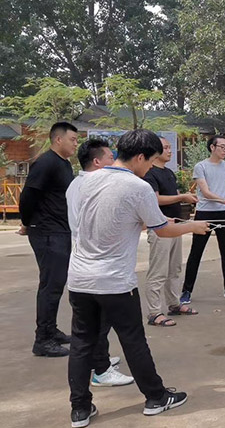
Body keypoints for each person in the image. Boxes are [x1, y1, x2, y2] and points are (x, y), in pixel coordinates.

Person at [67, 129, 210, 427]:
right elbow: (163, 230)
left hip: (80, 278)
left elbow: (106, 218)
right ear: (141, 157)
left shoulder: (84, 181)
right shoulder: (138, 186)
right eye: (152, 160)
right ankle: (156, 397)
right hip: (114, 281)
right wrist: (192, 227)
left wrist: (150, 221)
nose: (151, 167)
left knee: (82, 343)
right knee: (133, 340)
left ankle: (79, 409)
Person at [66, 138, 133, 387]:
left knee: (93, 324)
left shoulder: (79, 184)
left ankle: (99, 360)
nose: (114, 161)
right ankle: (101, 369)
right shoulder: (91, 185)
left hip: (83, 264)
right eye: (109, 157)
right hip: (95, 264)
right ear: (97, 161)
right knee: (99, 321)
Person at [19, 121, 78, 357]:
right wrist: (27, 222)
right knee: (50, 286)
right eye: (73, 139)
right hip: (47, 231)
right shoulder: (46, 163)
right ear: (58, 139)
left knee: (56, 283)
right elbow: (29, 194)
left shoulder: (63, 164)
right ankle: (42, 340)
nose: (76, 144)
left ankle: (51, 331)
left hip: (60, 230)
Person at [180, 135, 225, 304]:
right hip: (205, 213)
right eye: (222, 147)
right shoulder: (201, 166)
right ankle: (186, 290)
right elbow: (206, 192)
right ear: (212, 147)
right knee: (196, 252)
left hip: (223, 213)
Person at [143, 137, 199, 326]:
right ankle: (154, 312)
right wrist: (182, 197)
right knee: (158, 271)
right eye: (165, 147)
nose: (169, 150)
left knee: (174, 269)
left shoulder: (168, 173)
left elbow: (173, 196)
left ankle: (174, 304)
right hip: (159, 227)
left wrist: (184, 197)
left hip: (175, 226)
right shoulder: (149, 173)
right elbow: (155, 199)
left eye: (169, 147)